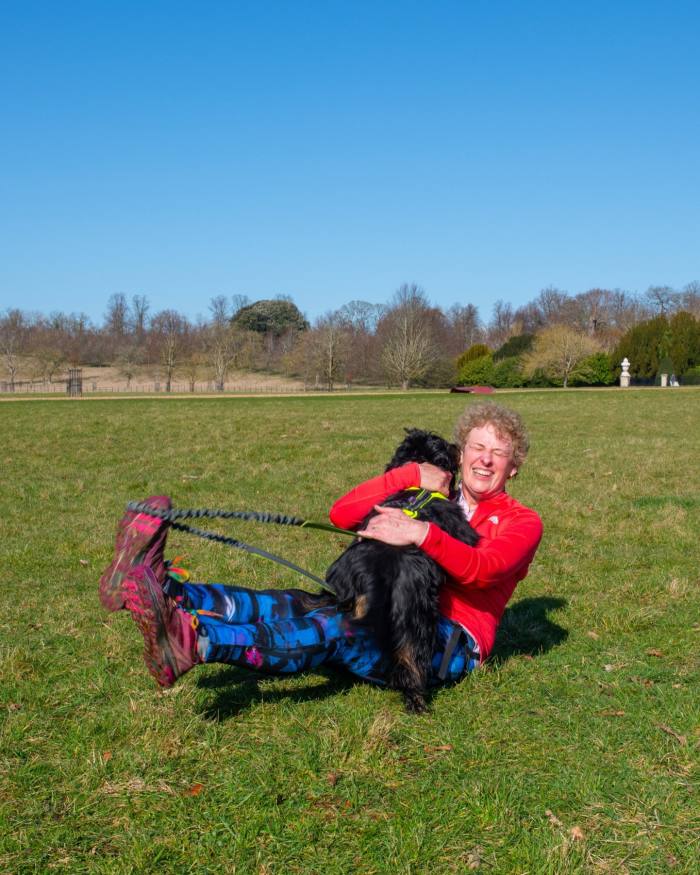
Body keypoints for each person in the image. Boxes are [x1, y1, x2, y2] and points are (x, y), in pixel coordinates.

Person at [100, 403, 542, 696]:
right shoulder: (429, 492)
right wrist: (405, 476)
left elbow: (485, 569)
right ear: (461, 453)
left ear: (514, 467)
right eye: (478, 447)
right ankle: (155, 587)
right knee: (289, 603)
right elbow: (341, 514)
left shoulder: (523, 522)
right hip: (378, 598)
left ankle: (198, 642)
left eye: (498, 453)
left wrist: (420, 535)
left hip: (443, 642)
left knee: (339, 627)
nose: (485, 459)